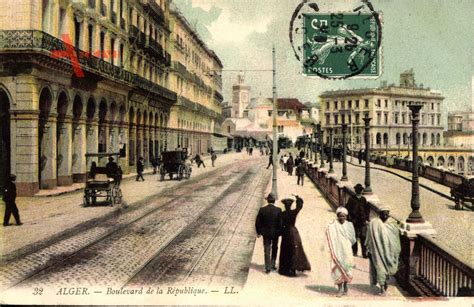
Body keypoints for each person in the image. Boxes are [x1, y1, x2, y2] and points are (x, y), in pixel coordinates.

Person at [365, 207, 401, 296]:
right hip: (377, 250)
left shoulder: (392, 224)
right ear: (379, 214)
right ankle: (382, 289)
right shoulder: (374, 223)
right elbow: (369, 237)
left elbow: (396, 238)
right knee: (380, 269)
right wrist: (368, 248)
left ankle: (385, 286)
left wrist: (396, 250)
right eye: (383, 214)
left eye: (387, 214)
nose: (385, 215)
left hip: (389, 251)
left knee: (388, 270)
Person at [326, 206, 356, 297]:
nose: (342, 218)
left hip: (347, 249)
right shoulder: (333, 225)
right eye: (340, 216)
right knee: (337, 269)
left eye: (344, 216)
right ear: (337, 216)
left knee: (347, 267)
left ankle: (346, 285)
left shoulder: (349, 225)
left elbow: (353, 239)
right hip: (337, 249)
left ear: (346, 216)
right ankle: (340, 289)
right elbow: (329, 233)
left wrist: (346, 243)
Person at [278, 195, 311, 276]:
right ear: (290, 205)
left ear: (285, 206)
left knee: (285, 249)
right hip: (293, 232)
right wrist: (298, 198)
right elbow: (299, 206)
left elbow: (280, 224)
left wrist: (281, 232)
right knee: (294, 249)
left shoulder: (282, 214)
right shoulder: (293, 212)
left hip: (285, 232)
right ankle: (293, 269)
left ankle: (285, 269)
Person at [255, 193, 282, 273]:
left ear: (267, 201)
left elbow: (258, 222)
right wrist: (279, 232)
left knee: (267, 249)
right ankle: (272, 264)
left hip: (266, 233)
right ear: (274, 201)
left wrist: (258, 232)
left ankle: (267, 267)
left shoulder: (262, 210)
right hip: (275, 233)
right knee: (274, 248)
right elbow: (280, 223)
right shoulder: (278, 210)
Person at [345, 184, 370, 258]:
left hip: (362, 222)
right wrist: (350, 220)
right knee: (354, 237)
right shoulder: (351, 199)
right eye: (357, 190)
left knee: (363, 237)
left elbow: (366, 210)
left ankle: (364, 253)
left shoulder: (363, 199)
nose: (359, 191)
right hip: (354, 221)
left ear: (361, 191)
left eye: (360, 190)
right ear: (355, 190)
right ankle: (354, 251)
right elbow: (347, 210)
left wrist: (366, 219)